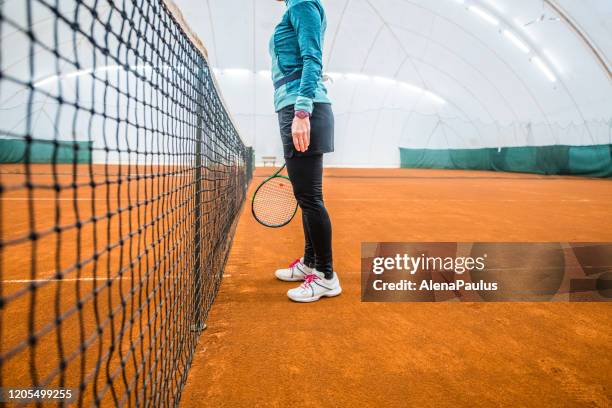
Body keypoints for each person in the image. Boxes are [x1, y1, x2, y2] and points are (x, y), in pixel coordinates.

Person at [270, 0, 341, 302]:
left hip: (303, 109)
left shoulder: (302, 4)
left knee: (311, 197)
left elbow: (313, 58)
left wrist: (301, 112)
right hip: (295, 105)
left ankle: (326, 275)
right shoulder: (295, 7)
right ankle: (310, 263)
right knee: (306, 196)